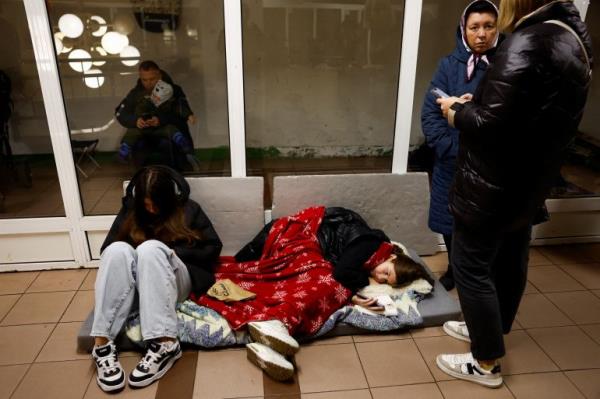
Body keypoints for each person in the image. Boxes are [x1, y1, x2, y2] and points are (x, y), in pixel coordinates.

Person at [435, 0, 592, 388]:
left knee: (470, 266)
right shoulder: (570, 40)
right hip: (528, 182)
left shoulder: (528, 40)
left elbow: (491, 125)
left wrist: (457, 112)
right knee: (510, 256)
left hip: (495, 182)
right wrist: (483, 103)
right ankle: (492, 328)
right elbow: (524, 113)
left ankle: (485, 362)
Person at [221, 206, 433, 380]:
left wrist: (354, 295)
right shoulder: (372, 243)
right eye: (386, 272)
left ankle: (269, 346)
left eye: (386, 281)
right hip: (302, 236)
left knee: (321, 286)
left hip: (313, 244)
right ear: (393, 257)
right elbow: (342, 271)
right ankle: (276, 323)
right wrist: (356, 295)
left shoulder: (374, 258)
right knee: (329, 284)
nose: (379, 278)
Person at [90, 165, 222, 392]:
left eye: (156, 204)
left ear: (168, 198)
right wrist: (134, 254)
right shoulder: (131, 210)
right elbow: (107, 248)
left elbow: (213, 247)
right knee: (116, 251)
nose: (151, 209)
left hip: (177, 279)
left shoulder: (189, 209)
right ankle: (102, 345)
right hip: (138, 285)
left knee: (151, 249)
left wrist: (169, 253)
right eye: (146, 204)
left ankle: (165, 344)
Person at [421, 0, 501, 291]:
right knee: (450, 220)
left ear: (497, 28)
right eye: (474, 27)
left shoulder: (507, 64)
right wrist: (449, 148)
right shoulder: (448, 65)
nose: (481, 34)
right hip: (451, 163)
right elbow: (431, 112)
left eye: (488, 26)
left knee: (481, 225)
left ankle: (479, 273)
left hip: (487, 165)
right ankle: (455, 270)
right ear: (463, 30)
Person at [115, 60, 198, 171]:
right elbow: (121, 113)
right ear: (140, 77)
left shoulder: (174, 91)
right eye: (144, 80)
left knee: (173, 152)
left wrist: (161, 120)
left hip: (169, 141)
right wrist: (136, 121)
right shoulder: (135, 94)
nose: (148, 83)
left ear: (159, 75)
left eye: (152, 79)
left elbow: (180, 114)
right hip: (144, 138)